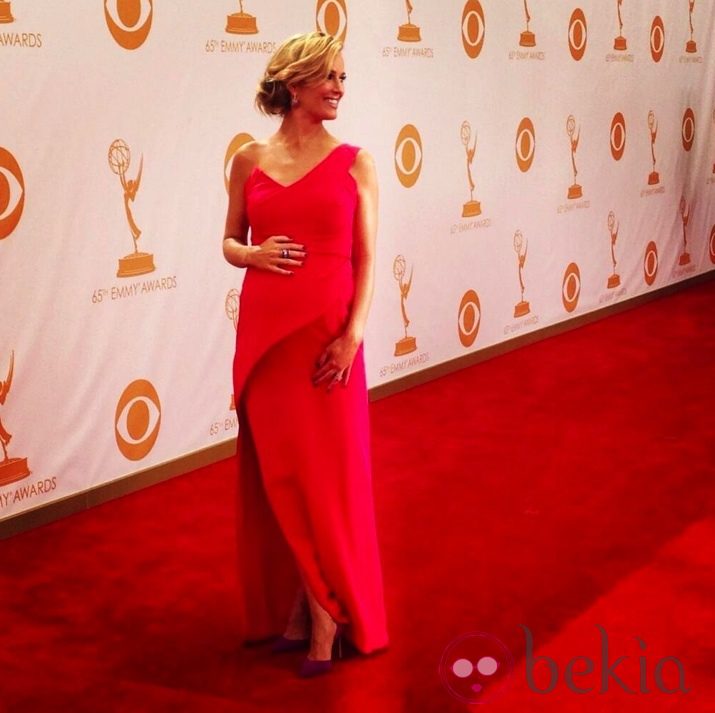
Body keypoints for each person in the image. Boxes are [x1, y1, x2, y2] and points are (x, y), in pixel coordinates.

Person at [222, 31, 389, 677]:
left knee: (326, 476)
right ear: (294, 85)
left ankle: (326, 610)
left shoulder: (356, 161)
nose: (341, 88)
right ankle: (302, 608)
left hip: (326, 336)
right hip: (264, 335)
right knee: (279, 476)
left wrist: (352, 334)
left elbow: (367, 257)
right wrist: (253, 254)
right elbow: (229, 241)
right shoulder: (248, 159)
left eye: (344, 77)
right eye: (331, 78)